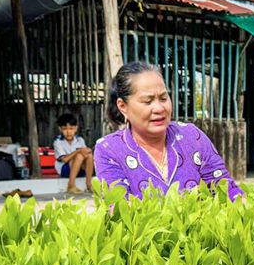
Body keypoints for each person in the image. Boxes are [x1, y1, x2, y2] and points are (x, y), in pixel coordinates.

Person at [94, 61, 243, 201]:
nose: (159, 108)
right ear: (122, 106)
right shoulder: (109, 150)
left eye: (164, 98)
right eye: (148, 101)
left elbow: (227, 191)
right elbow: (119, 209)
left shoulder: (191, 137)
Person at [54, 113, 94, 194]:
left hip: (80, 170)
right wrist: (78, 151)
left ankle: (89, 184)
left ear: (76, 128)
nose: (68, 132)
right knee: (79, 156)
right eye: (65, 129)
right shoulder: (58, 142)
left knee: (89, 156)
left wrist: (88, 150)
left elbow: (85, 153)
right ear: (60, 129)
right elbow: (64, 159)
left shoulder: (80, 140)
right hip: (64, 170)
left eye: (71, 128)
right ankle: (71, 185)